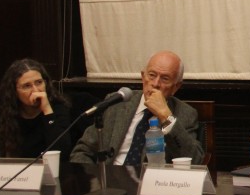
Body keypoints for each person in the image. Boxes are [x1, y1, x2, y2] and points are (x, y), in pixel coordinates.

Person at [70, 50, 203, 165]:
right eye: (151, 75)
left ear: (176, 87)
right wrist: (93, 179)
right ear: (143, 77)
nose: (156, 84)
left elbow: (194, 160)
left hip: (152, 185)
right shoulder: (116, 104)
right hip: (111, 180)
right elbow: (83, 150)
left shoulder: (186, 114)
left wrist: (166, 117)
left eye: (165, 79)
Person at [0, 59, 73, 161]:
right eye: (27, 86)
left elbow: (62, 151)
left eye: (39, 82)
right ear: (14, 91)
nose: (36, 90)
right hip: (10, 172)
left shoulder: (58, 108)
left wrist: (47, 111)